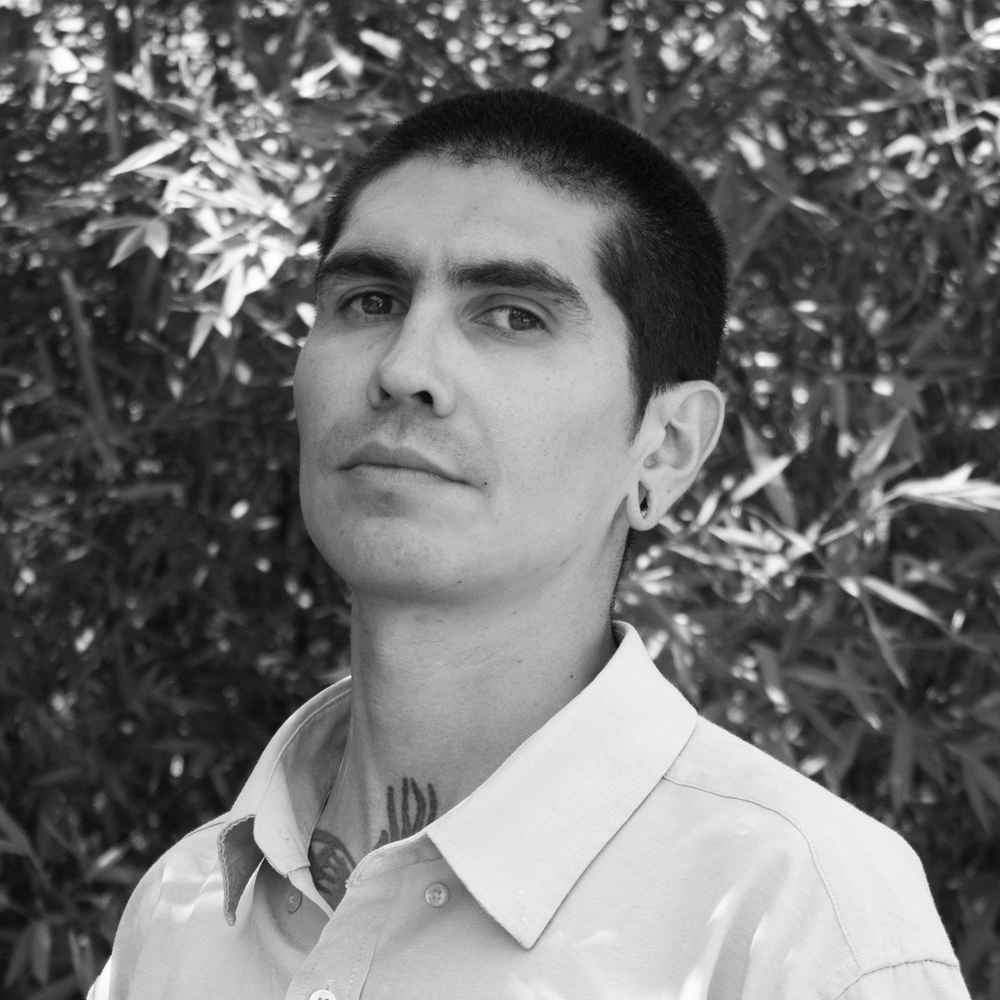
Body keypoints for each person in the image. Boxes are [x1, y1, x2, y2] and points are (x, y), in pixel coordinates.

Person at [89, 87, 970, 1000]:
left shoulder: (795, 919)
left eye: (513, 315)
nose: (404, 368)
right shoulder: (185, 913)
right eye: (370, 300)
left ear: (665, 449)